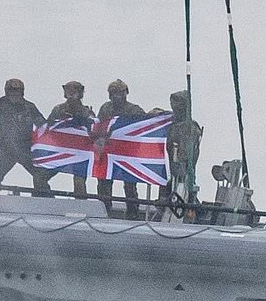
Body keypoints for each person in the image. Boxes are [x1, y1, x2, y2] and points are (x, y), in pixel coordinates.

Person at [0, 78, 49, 194]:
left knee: (40, 177)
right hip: (7, 150)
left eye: (17, 91)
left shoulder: (29, 108)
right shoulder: (2, 112)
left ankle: (45, 200)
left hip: (26, 148)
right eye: (11, 91)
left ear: (22, 92)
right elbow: (3, 135)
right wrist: (14, 149)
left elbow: (43, 125)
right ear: (6, 92)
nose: (14, 93)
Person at [95, 79, 146, 219]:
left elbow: (146, 123)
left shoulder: (134, 110)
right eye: (114, 93)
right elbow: (99, 127)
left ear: (126, 93)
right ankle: (104, 210)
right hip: (108, 152)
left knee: (129, 185)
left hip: (127, 154)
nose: (117, 96)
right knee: (104, 183)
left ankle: (132, 211)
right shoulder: (105, 108)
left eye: (120, 93)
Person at [153, 89, 204, 221]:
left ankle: (193, 212)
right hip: (169, 167)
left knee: (182, 189)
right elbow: (159, 113)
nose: (175, 108)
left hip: (181, 171)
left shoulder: (189, 128)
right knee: (167, 188)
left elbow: (185, 157)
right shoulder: (172, 121)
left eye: (178, 105)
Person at [42, 80, 95, 198]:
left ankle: (80, 206)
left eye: (74, 92)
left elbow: (94, 130)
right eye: (69, 91)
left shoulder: (87, 112)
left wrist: (81, 120)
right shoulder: (58, 110)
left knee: (79, 183)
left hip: (78, 155)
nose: (71, 94)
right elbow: (47, 128)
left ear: (80, 94)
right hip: (59, 152)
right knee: (40, 177)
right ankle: (47, 203)